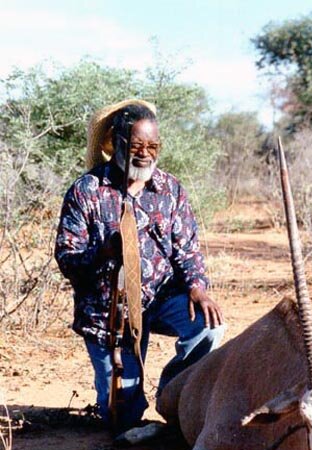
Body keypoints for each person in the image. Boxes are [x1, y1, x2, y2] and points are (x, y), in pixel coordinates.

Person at [55, 99, 225, 431]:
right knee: (122, 420)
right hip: (110, 314)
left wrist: (197, 288)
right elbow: (67, 258)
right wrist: (104, 252)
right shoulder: (87, 191)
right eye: (136, 145)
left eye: (152, 146)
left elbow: (188, 251)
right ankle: (125, 404)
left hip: (161, 301)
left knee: (209, 326)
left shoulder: (170, 190)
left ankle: (173, 394)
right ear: (116, 143)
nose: (145, 153)